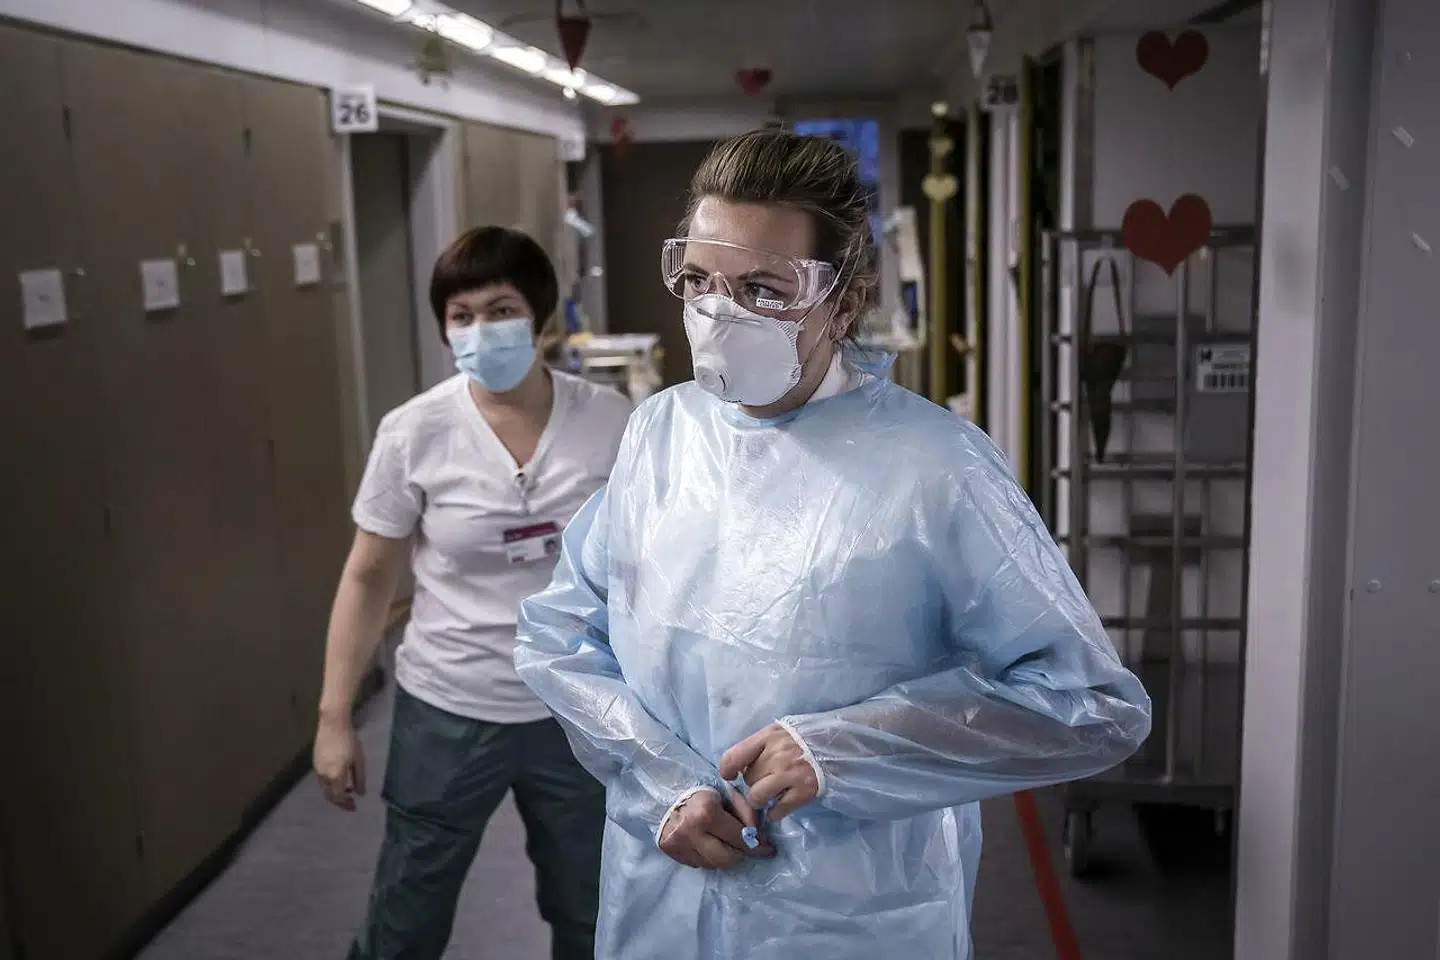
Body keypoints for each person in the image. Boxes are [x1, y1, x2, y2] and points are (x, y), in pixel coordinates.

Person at [512, 129, 1152, 960]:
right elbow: (561, 632)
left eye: (763, 289)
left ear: (844, 302)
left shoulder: (936, 467)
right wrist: (658, 782)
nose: (718, 313)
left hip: (852, 915)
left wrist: (848, 748)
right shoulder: (661, 436)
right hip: (664, 894)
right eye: (699, 280)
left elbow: (1090, 706)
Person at [313, 226, 633, 960]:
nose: (481, 330)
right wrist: (334, 717)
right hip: (449, 704)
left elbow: (649, 566)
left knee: (594, 913)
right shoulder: (414, 432)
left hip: (576, 703)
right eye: (462, 316)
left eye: (501, 310)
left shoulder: (610, 421)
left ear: (541, 319)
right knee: (406, 916)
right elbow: (368, 575)